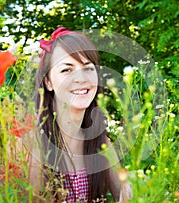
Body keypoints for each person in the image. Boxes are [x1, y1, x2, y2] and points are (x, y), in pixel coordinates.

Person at [22, 27, 128, 202]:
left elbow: (124, 197)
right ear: (48, 82)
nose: (80, 79)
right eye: (66, 70)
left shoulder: (100, 141)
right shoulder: (32, 142)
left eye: (88, 68)